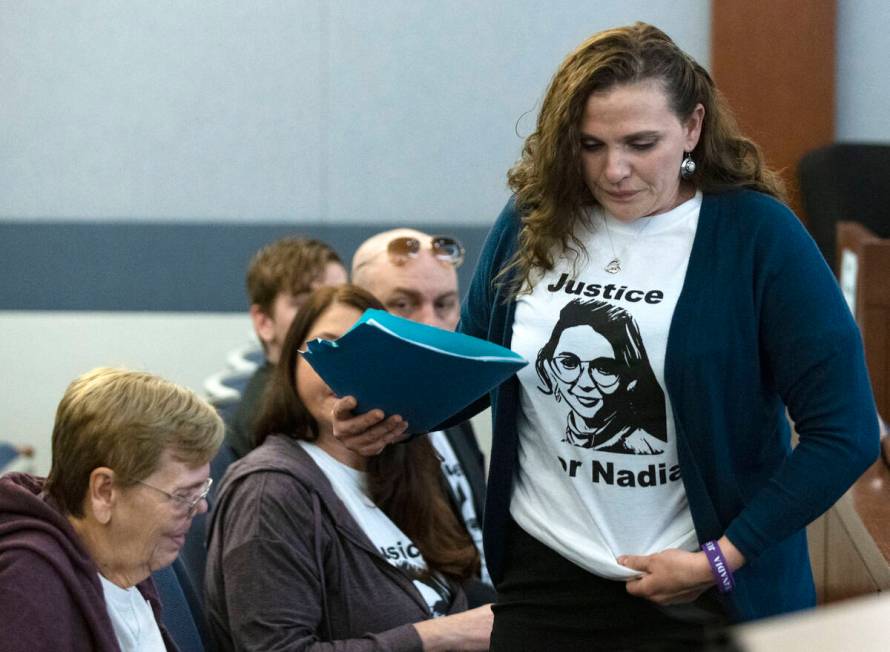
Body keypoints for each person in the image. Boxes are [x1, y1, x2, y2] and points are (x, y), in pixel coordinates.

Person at [331, 22, 880, 650]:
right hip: (546, 577)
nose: (614, 170)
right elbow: (478, 363)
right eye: (591, 145)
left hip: (705, 588)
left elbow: (846, 433)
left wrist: (723, 557)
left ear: (693, 128)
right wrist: (394, 411)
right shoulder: (535, 219)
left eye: (641, 143)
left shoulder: (758, 236)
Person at [205, 284, 493, 651]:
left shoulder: (398, 470)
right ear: (291, 364)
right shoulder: (270, 490)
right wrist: (443, 635)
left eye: (365, 350)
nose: (346, 365)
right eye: (327, 345)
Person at [0, 367, 223, 651]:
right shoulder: (27, 594)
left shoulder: (128, 559)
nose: (201, 506)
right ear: (104, 492)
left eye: (202, 489)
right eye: (182, 495)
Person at [352, 228, 494, 599]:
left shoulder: (452, 407)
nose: (430, 324)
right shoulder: (354, 433)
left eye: (444, 304)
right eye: (403, 304)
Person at [225, 236, 347, 459]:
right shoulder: (270, 417)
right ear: (264, 323)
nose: (330, 315)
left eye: (339, 299)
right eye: (305, 304)